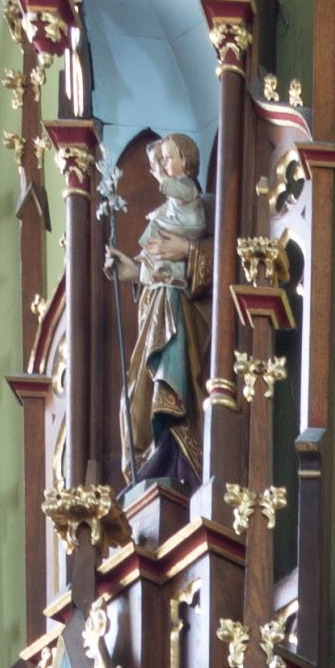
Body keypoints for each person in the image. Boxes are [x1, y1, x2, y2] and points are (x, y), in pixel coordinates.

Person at [118, 134, 209, 481]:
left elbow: (221, 262)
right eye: (160, 160)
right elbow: (157, 263)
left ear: (186, 162)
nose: (162, 166)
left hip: (177, 305)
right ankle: (150, 457)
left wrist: (188, 251)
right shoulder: (167, 210)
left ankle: (174, 454)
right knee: (135, 389)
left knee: (167, 376)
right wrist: (133, 271)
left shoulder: (193, 199)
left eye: (168, 158)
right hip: (157, 300)